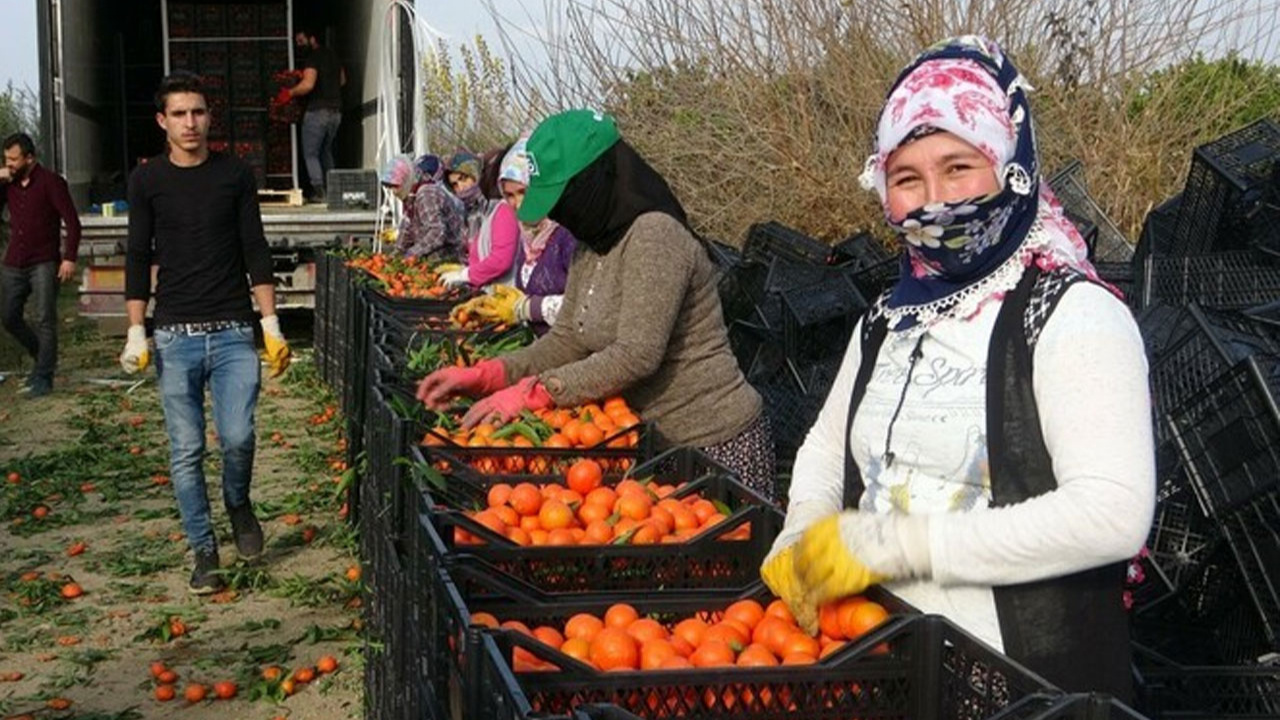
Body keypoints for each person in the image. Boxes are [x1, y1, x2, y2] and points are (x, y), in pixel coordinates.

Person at [759, 36, 1154, 699]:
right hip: (881, 652)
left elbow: (1111, 514)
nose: (933, 201)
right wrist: (801, 529)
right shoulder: (888, 318)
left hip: (1021, 682)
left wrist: (896, 545)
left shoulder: (1071, 315)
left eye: (959, 167)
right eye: (908, 179)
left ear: (1010, 167)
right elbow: (827, 449)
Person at [417, 109, 776, 498]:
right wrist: (491, 375)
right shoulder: (590, 245)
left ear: (592, 181)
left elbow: (637, 354)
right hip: (649, 445)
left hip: (713, 443)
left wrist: (538, 391)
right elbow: (568, 338)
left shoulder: (655, 236)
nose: (557, 214)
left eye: (562, 199)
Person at [121, 71, 293, 594]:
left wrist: (270, 323)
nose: (189, 122)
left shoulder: (234, 174)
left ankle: (238, 503)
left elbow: (254, 247)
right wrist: (136, 330)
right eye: (179, 114)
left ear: (208, 117)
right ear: (162, 122)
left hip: (234, 331)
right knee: (186, 450)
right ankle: (203, 550)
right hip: (176, 334)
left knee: (238, 436)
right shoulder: (147, 180)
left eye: (197, 112)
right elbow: (136, 254)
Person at [451, 138, 576, 333]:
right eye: (509, 195)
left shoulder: (568, 237)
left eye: (523, 192)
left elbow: (587, 309)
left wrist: (525, 308)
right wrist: (492, 304)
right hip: (536, 350)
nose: (518, 204)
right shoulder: (529, 240)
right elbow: (524, 293)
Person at [0, 132, 81, 397]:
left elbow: (72, 221)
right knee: (9, 317)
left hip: (44, 262)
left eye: (13, 159)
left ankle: (44, 376)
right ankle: (41, 354)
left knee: (45, 317)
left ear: (30, 158)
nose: (9, 164)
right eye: (6, 159)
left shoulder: (51, 183)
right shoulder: (8, 184)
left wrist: (69, 257)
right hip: (14, 262)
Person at [437, 150, 519, 291]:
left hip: (503, 294)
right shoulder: (472, 212)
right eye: (455, 185)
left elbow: (501, 259)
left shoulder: (502, 209)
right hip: (485, 290)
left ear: (476, 175)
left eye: (463, 178)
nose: (460, 188)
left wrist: (465, 274)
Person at [282, 27, 345, 203]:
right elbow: (342, 80)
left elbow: (308, 85)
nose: (298, 44)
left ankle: (319, 192)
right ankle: (333, 192)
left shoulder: (313, 58)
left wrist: (290, 93)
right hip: (335, 113)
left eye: (301, 40)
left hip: (318, 112)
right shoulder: (333, 57)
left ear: (312, 38)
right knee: (326, 151)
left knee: (311, 153)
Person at [379, 153, 465, 261]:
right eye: (389, 188)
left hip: (446, 257)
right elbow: (407, 228)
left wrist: (410, 254)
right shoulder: (411, 198)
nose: (393, 193)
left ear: (405, 181)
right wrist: (396, 254)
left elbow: (437, 232)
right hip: (430, 256)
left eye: (395, 187)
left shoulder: (426, 194)